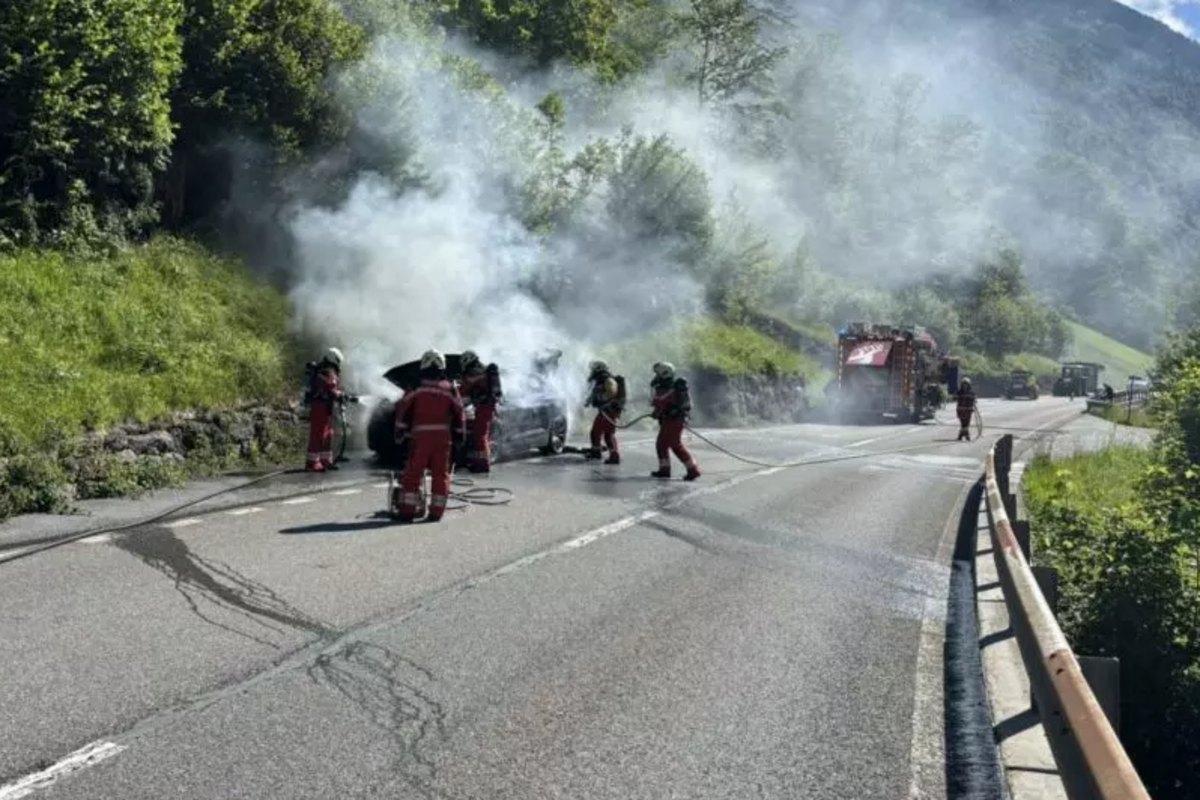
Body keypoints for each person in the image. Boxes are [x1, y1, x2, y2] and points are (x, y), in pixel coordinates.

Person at [393, 349, 465, 522]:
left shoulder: (416, 386)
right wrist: (460, 434)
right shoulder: (451, 388)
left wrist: (399, 432)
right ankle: (436, 512)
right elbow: (459, 412)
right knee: (441, 475)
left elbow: (403, 409)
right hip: (443, 439)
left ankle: (407, 511)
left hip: (420, 438)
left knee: (413, 474)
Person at [650, 361, 701, 480]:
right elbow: (660, 403)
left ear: (664, 373)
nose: (656, 376)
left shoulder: (676, 386)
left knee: (675, 445)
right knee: (661, 444)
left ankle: (693, 470)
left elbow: (685, 405)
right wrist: (656, 412)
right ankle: (664, 469)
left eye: (658, 374)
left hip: (675, 420)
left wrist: (673, 410)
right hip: (666, 420)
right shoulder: (661, 387)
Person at [459, 350, 502, 474]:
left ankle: (483, 466)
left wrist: (455, 395)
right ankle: (476, 463)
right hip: (484, 407)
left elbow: (464, 390)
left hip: (484, 408)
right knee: (479, 436)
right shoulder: (482, 371)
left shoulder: (474, 372)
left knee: (480, 436)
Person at [305, 347, 347, 472]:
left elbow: (332, 388)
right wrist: (340, 395)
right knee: (318, 434)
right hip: (320, 406)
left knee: (328, 434)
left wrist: (340, 393)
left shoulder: (324, 370)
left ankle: (326, 460)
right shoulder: (327, 371)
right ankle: (312, 462)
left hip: (325, 407)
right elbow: (331, 389)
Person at [584, 360, 624, 464]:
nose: (592, 371)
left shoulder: (607, 379)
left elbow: (612, 392)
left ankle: (614, 456)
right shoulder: (600, 380)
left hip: (609, 411)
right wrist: (589, 400)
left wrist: (601, 401)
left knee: (607, 434)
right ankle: (597, 452)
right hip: (604, 411)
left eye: (593, 369)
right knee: (596, 432)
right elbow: (596, 392)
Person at [955, 377, 977, 442]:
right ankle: (967, 436)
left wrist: (974, 401)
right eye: (964, 384)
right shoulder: (959, 392)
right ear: (962, 385)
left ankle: (960, 436)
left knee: (966, 424)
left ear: (969, 385)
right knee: (963, 424)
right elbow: (954, 398)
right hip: (961, 410)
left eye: (966, 384)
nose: (965, 386)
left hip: (968, 411)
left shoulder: (972, 393)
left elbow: (974, 400)